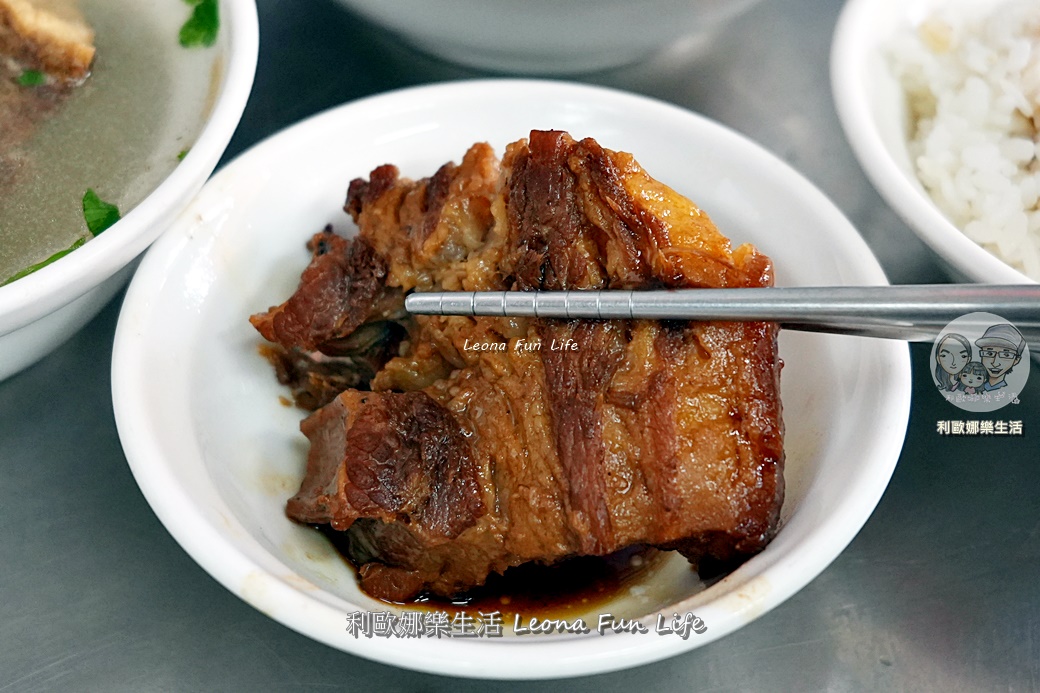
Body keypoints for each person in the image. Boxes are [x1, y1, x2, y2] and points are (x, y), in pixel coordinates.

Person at [975, 323, 1025, 391]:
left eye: (1006, 355)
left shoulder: (1011, 391)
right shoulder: (969, 387)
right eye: (989, 353)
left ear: (1016, 360)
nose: (995, 363)